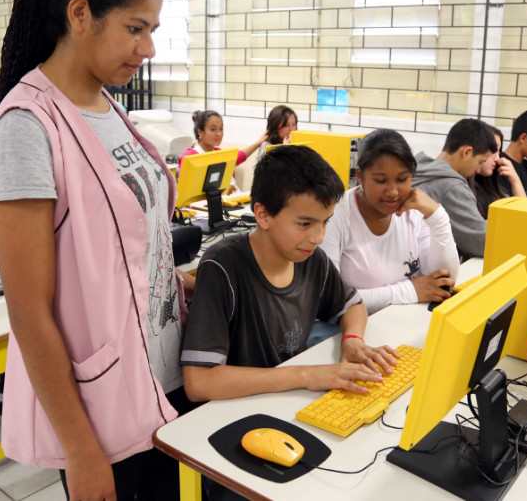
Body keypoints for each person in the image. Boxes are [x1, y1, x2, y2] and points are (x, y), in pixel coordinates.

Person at [0, 0, 194, 498]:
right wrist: (79, 448)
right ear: (80, 14)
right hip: (104, 408)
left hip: (168, 373)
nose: (147, 49)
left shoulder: (108, 106)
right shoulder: (27, 126)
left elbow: (115, 247)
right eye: (135, 29)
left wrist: (168, 279)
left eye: (152, 31)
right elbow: (29, 312)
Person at [180, 145, 398, 402]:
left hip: (288, 397)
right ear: (263, 215)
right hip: (240, 405)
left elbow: (353, 306)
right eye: (304, 223)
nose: (318, 237)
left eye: (325, 222)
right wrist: (307, 375)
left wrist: (352, 340)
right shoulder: (223, 266)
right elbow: (199, 382)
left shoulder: (310, 258)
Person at [322, 129, 459, 315]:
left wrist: (438, 218)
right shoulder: (335, 215)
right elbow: (331, 300)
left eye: (402, 179)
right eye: (380, 181)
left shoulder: (415, 211)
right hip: (356, 328)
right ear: (360, 175)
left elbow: (444, 282)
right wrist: (410, 291)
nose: (393, 192)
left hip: (406, 322)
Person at [410, 118, 496, 260]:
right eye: (480, 161)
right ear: (466, 152)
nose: (477, 169)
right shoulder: (451, 186)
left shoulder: (417, 169)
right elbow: (482, 241)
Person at [469, 125, 526, 218]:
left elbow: (524, 215)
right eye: (493, 151)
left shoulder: (493, 185)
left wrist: (515, 180)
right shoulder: (464, 188)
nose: (497, 159)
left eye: (498, 152)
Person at [178, 109, 266, 167]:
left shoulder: (219, 153)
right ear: (200, 132)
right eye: (213, 129)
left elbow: (239, 156)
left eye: (221, 129)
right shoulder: (189, 156)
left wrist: (258, 143)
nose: (219, 134)